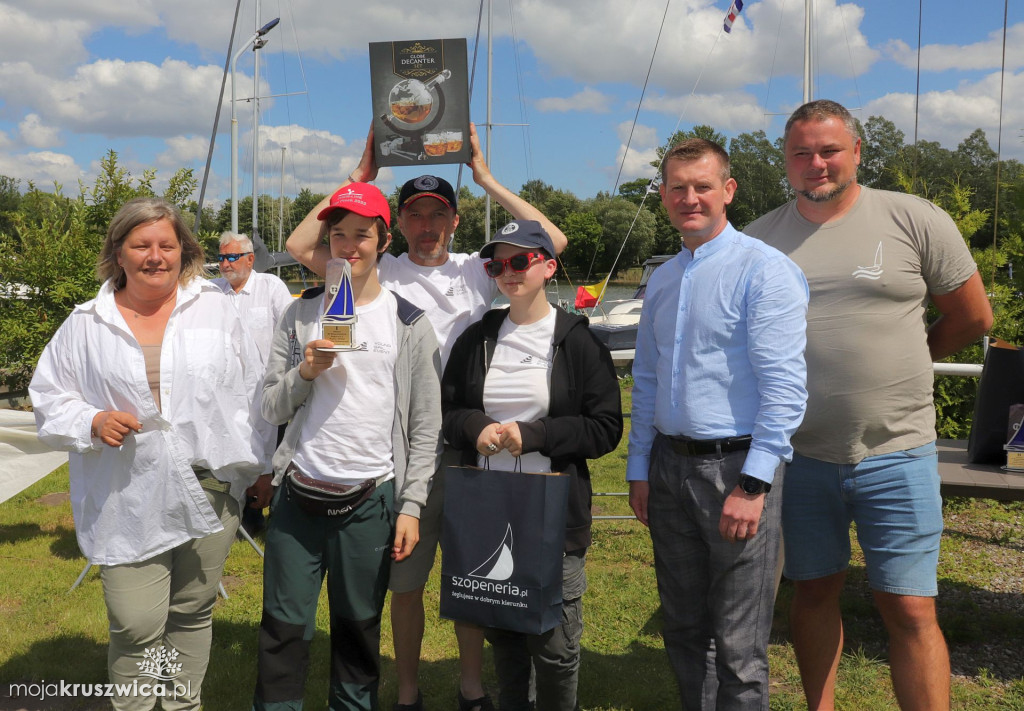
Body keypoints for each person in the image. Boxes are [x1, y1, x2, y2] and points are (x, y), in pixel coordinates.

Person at [285, 123, 567, 711]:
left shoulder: (475, 269)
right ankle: (408, 689)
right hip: (400, 447)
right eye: (415, 214)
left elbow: (553, 242)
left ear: (455, 222)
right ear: (398, 225)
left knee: (469, 573)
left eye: (438, 214)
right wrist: (358, 179)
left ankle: (470, 686)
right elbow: (297, 245)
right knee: (406, 582)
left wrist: (486, 178)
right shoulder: (372, 269)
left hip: (466, 442)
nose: (427, 225)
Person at [744, 99, 994, 711]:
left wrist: (912, 354)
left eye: (829, 150)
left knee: (910, 606)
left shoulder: (914, 218)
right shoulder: (758, 239)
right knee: (813, 592)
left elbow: (973, 316)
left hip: (898, 450)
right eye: (801, 152)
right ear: (785, 160)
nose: (816, 163)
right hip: (797, 456)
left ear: (857, 151)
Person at [30, 197, 272, 710]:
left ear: (184, 250)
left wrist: (260, 468)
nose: (155, 256)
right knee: (137, 621)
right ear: (119, 252)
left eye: (167, 244)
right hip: (127, 490)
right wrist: (91, 420)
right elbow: (48, 395)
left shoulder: (215, 307)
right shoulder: (86, 324)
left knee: (191, 611)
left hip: (209, 483)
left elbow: (252, 388)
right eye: (141, 245)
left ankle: (182, 705)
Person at [626, 138, 809, 710]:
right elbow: (649, 381)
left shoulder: (765, 270)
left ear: (728, 190)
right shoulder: (663, 279)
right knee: (683, 628)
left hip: (738, 468)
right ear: (663, 196)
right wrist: (639, 468)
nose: (689, 198)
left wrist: (754, 485)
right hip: (669, 468)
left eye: (702, 186)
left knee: (739, 643)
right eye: (677, 187)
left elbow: (784, 389)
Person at [251, 182, 442, 711]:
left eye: (363, 234)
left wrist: (411, 506)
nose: (350, 246)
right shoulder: (300, 314)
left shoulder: (409, 323)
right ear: (327, 242)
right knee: (282, 634)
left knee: (358, 635)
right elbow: (270, 407)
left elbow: (426, 428)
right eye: (339, 235)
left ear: (383, 241)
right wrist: (305, 372)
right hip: (299, 498)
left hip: (371, 501)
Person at [441, 219, 623, 711]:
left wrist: (537, 434)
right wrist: (474, 426)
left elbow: (605, 427)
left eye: (520, 261)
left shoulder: (577, 341)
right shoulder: (477, 338)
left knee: (555, 644)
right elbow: (449, 412)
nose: (508, 272)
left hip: (552, 514)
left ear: (547, 266)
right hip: (489, 508)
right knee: (505, 633)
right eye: (497, 264)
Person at [211, 231, 294, 534]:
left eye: (231, 257)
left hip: (268, 388)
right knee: (237, 449)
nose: (225, 263)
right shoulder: (212, 292)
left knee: (274, 450)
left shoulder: (270, 287)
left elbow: (290, 331)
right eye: (221, 257)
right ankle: (240, 513)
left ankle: (273, 512)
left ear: (249, 258)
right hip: (227, 391)